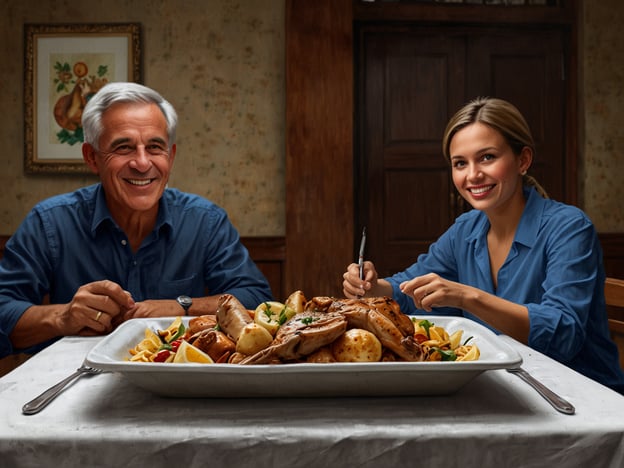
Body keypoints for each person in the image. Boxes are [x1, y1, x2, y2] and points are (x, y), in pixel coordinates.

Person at [343, 97, 624, 394]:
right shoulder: (466, 229)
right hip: (504, 389)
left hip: (584, 397)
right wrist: (376, 288)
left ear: (523, 160)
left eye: (487, 157)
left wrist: (468, 297)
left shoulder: (569, 228)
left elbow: (562, 333)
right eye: (460, 163)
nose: (473, 175)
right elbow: (412, 287)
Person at [0, 82, 273, 357]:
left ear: (171, 156)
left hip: (179, 386)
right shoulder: (49, 223)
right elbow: (3, 309)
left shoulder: (206, 221)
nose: (142, 163)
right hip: (71, 384)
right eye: (124, 148)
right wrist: (63, 317)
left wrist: (181, 306)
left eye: (155, 147)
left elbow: (258, 300)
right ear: (92, 158)